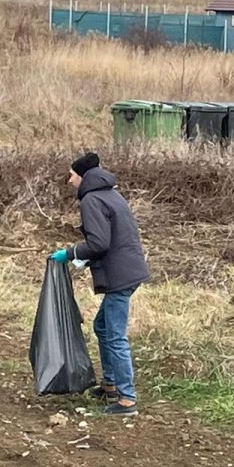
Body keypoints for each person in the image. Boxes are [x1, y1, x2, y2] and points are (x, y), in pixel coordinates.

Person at [50, 152, 149, 417]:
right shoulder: (110, 194)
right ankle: (110, 384)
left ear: (82, 176)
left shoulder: (91, 200)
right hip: (128, 271)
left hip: (120, 275)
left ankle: (127, 399)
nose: (69, 181)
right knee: (102, 326)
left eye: (71, 175)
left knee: (114, 334)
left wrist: (70, 253)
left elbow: (99, 243)